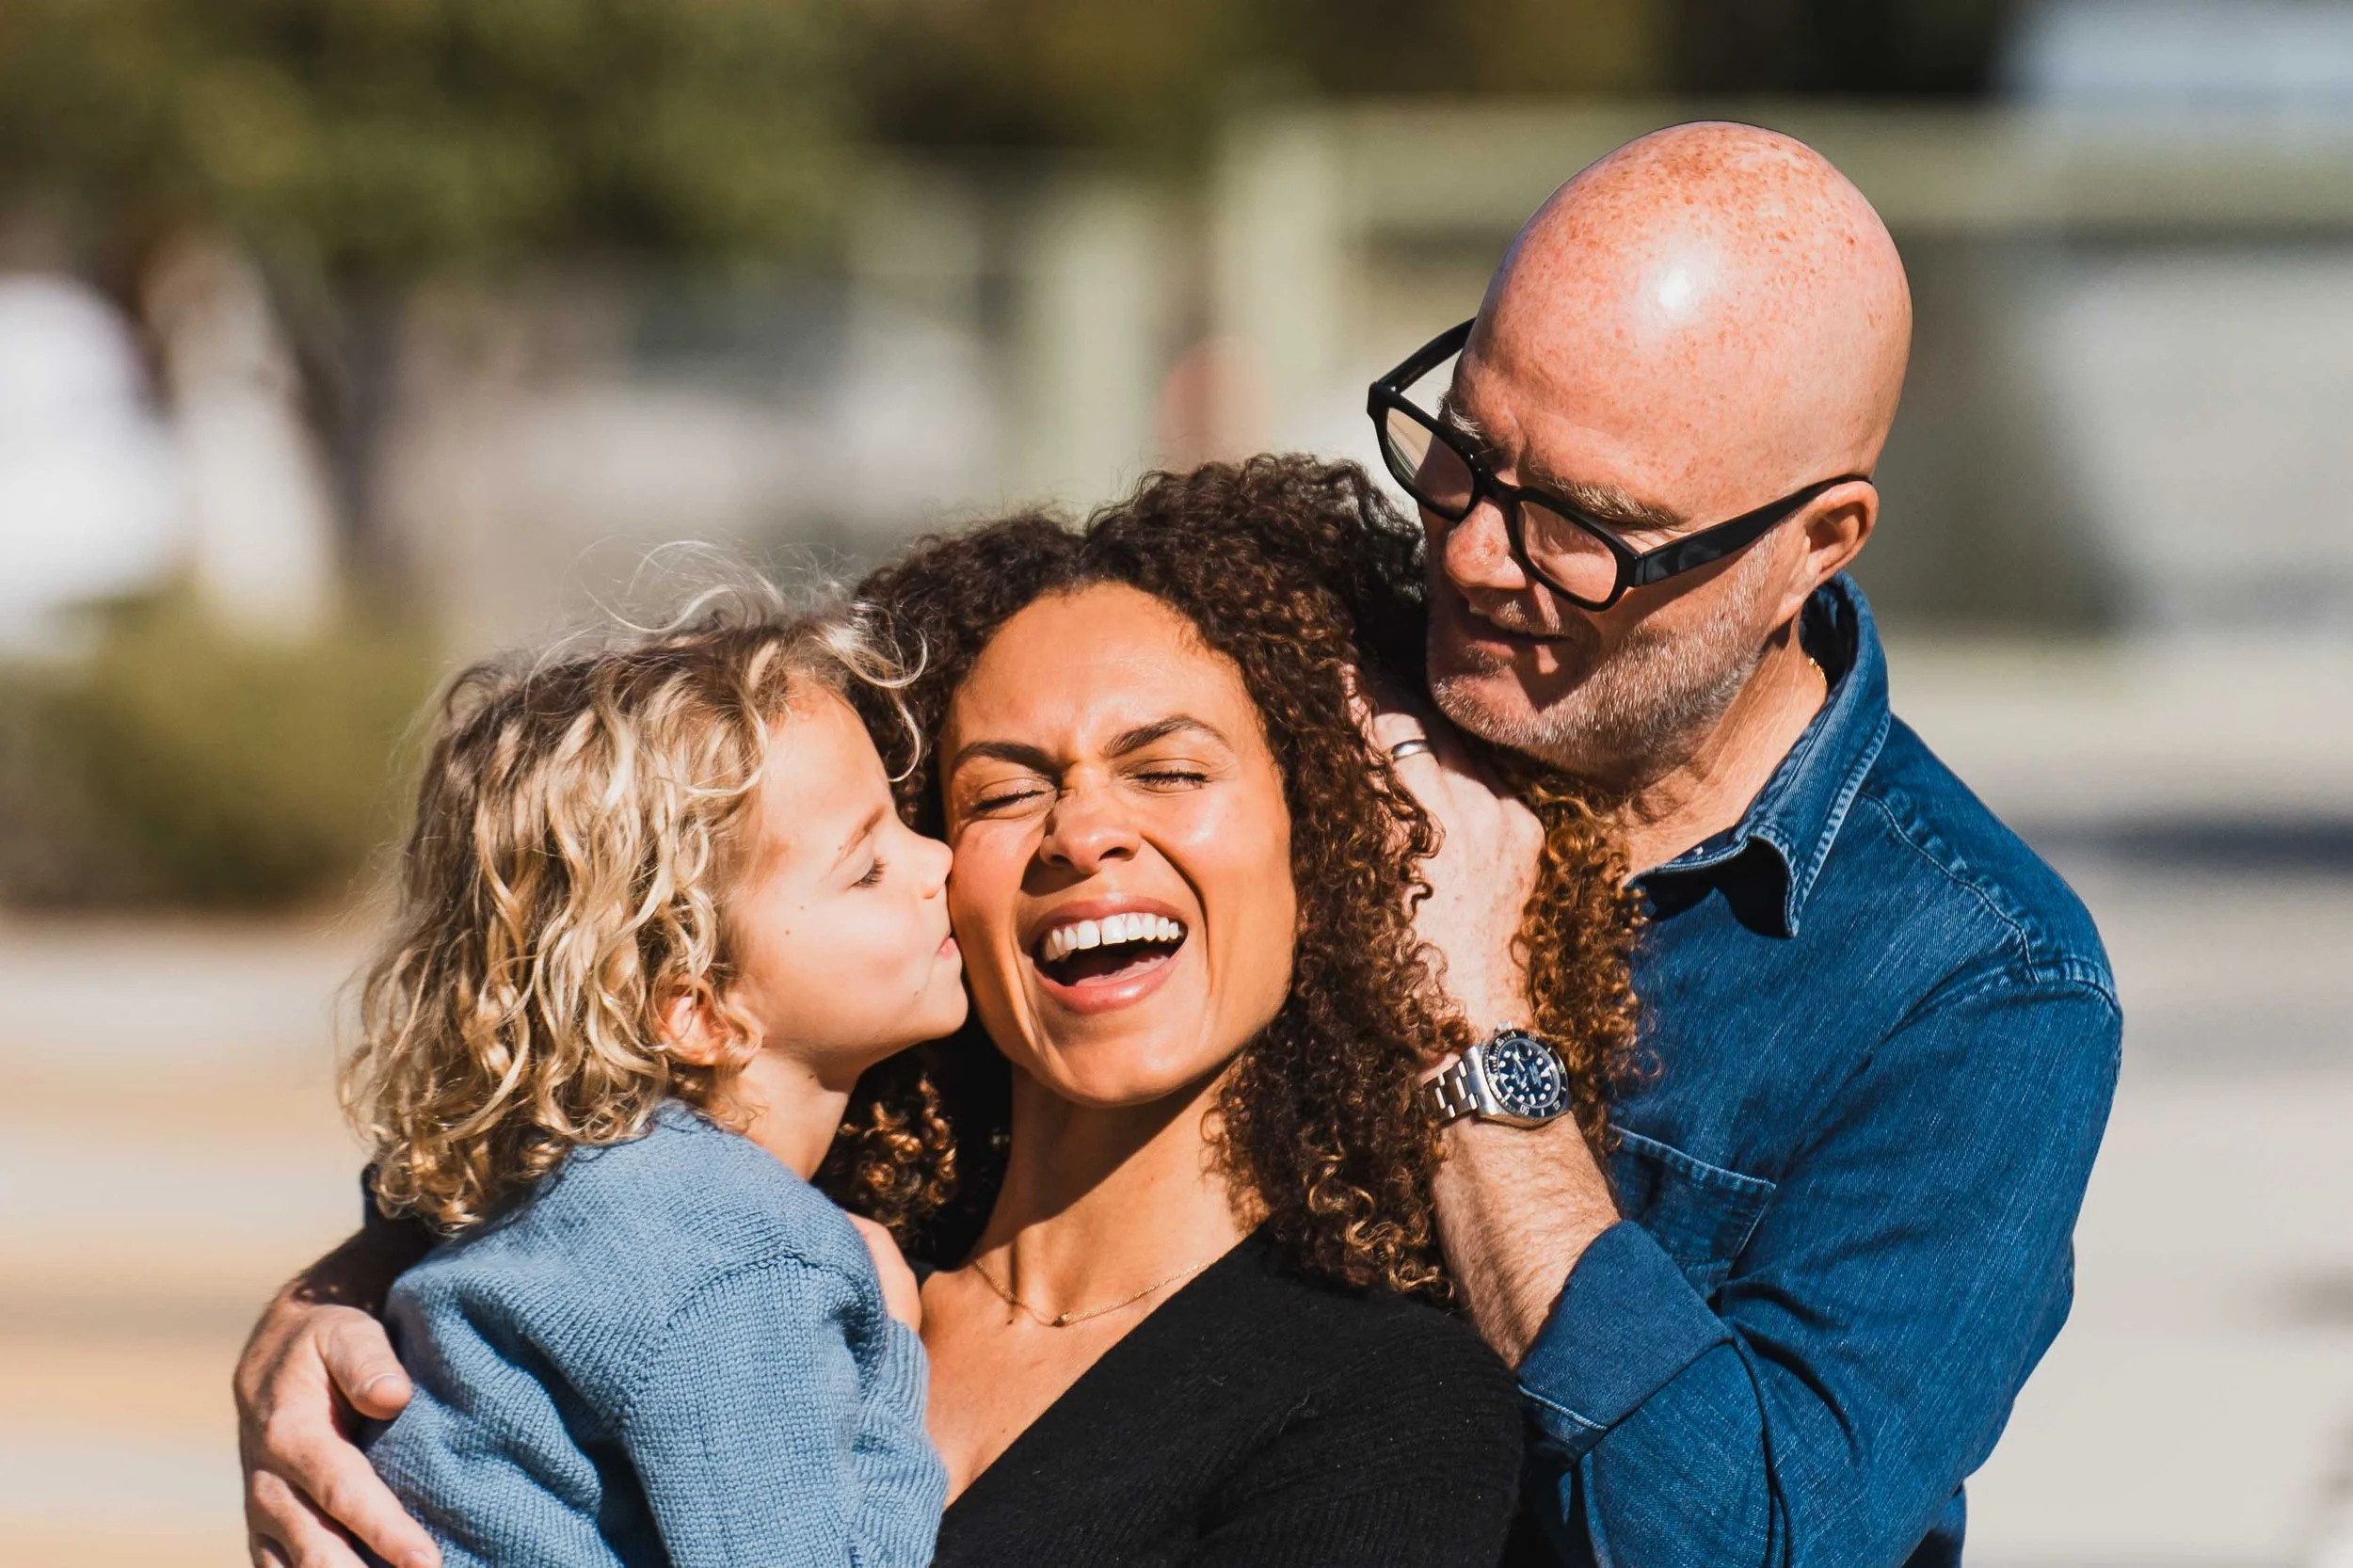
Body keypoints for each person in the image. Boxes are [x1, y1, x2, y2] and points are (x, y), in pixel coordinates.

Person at [234, 458, 1599, 1568]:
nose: (1085, 834)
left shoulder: (1381, 1409)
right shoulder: (782, 1250)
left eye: (1168, 770)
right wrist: (327, 1306)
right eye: (999, 792)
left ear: (1334, 842)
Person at [1364, 122, 2122, 1566]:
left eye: (1582, 524)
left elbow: (1754, 1539)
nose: (1469, 552)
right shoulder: (1320, 690)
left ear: (1817, 543)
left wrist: (1475, 1035)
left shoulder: (1982, 991)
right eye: (1463, 449)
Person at [339, 606, 956, 1566]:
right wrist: (892, 1371)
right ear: (697, 1007)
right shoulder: (738, 1256)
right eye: (868, 867)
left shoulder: (560, 1172)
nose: (939, 861)